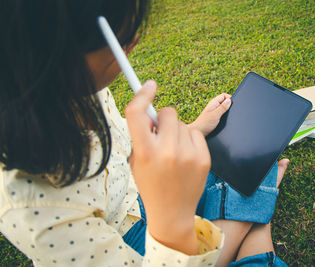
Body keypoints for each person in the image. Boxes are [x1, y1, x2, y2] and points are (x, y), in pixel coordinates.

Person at [0, 0, 289, 266]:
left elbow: (124, 145)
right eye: (122, 39)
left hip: (140, 198)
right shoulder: (36, 208)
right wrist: (172, 222)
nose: (134, 41)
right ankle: (258, 216)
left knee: (247, 156)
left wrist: (194, 129)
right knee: (253, 181)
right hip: (130, 244)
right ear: (57, 55)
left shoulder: (79, 88)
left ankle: (252, 207)